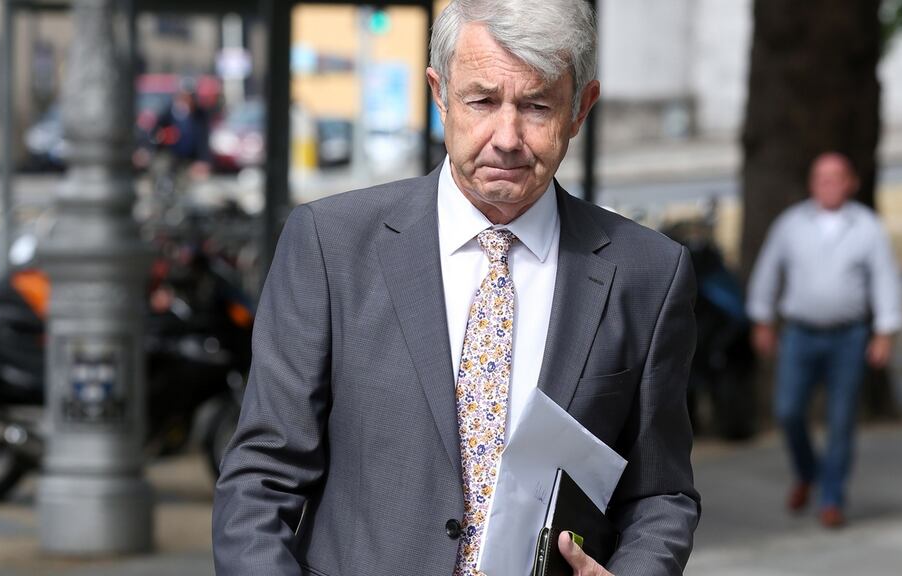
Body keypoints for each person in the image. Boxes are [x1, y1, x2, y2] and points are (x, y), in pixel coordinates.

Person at [212, 1, 700, 574]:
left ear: (580, 109)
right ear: (439, 94)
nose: (507, 137)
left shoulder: (648, 275)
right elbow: (261, 480)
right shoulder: (330, 246)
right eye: (482, 101)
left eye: (537, 106)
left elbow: (660, 493)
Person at [747, 152, 902, 529]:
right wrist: (762, 319)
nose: (828, 184)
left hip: (849, 336)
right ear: (812, 183)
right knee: (788, 410)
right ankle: (808, 471)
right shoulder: (791, 224)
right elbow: (768, 272)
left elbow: (885, 280)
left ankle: (832, 497)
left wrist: (885, 332)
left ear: (851, 183)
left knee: (841, 419)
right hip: (800, 333)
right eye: (822, 177)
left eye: (836, 177)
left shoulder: (866, 226)